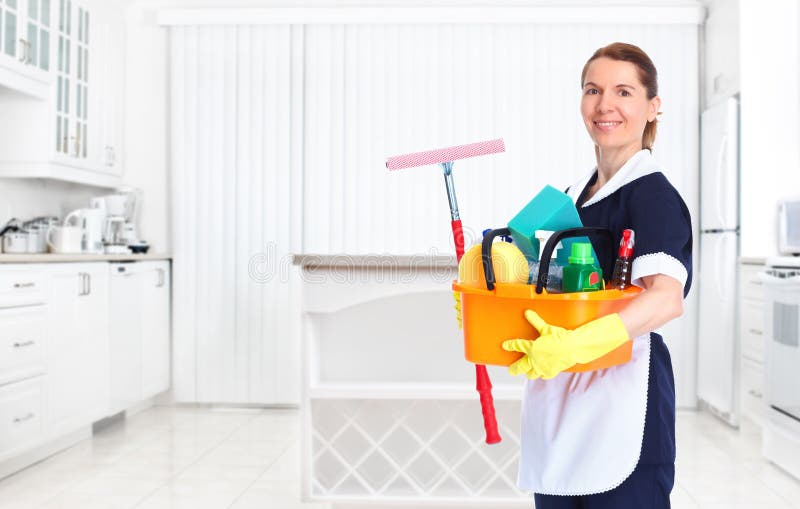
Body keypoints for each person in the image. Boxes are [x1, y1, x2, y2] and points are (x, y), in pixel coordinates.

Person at [501, 42, 692, 508]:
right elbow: (539, 283)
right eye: (593, 90)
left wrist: (581, 343)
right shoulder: (571, 196)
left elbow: (666, 297)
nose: (605, 104)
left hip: (622, 409)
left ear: (652, 107)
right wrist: (491, 298)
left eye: (623, 91)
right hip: (561, 411)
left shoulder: (652, 195)